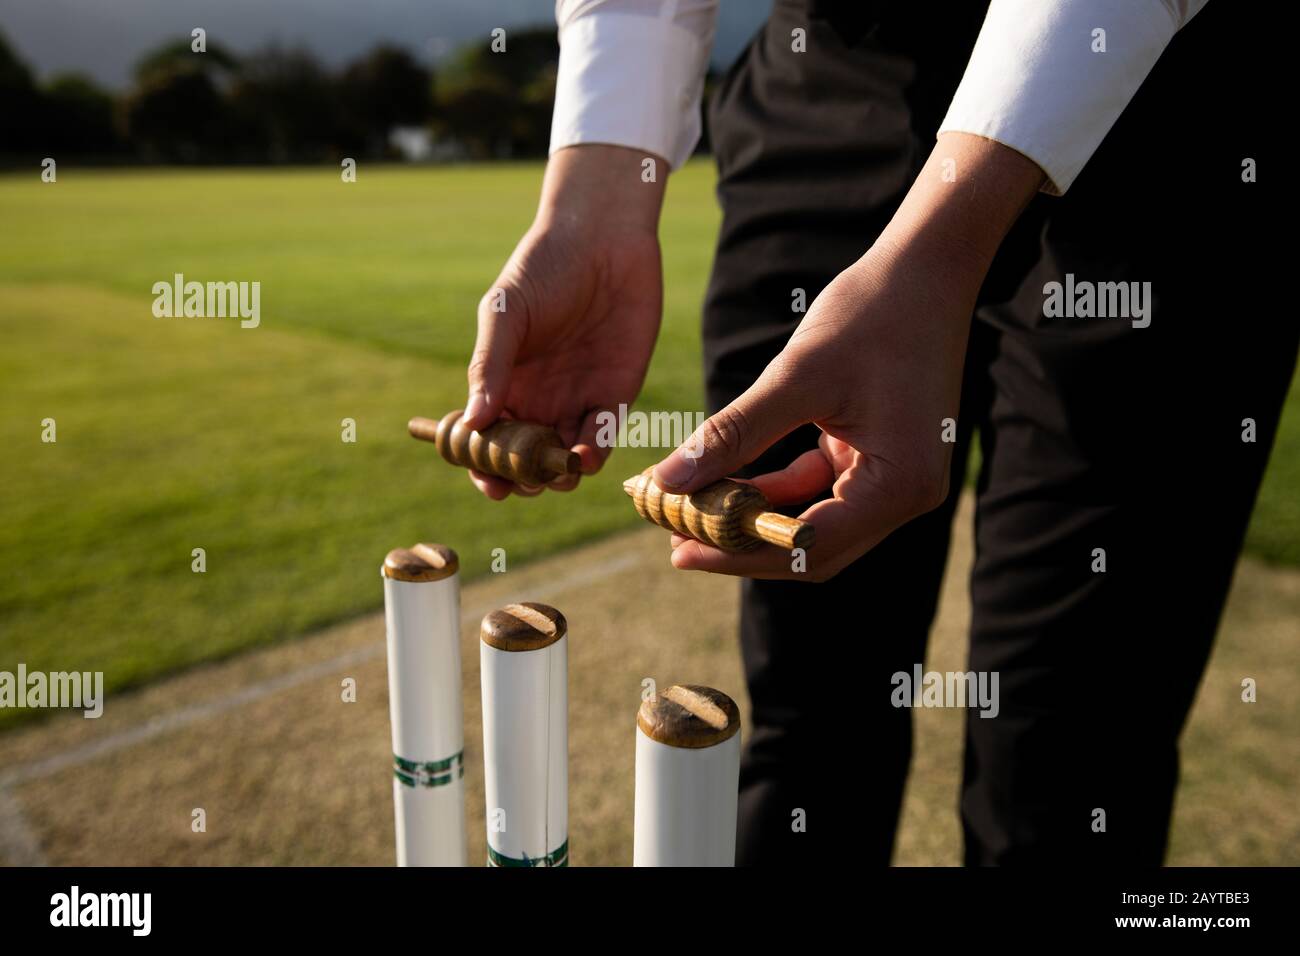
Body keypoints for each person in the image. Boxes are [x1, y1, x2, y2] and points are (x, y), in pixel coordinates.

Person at [458, 0, 1295, 865]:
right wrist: (594, 205)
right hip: (832, 71)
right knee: (810, 708)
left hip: (1168, 113)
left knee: (1072, 749)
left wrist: (943, 239)